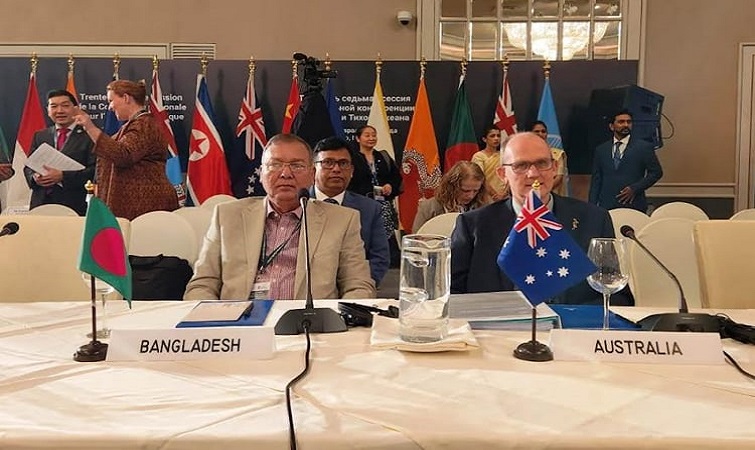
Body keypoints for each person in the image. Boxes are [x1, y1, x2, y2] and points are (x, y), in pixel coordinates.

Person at [185, 133, 375, 301]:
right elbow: (202, 285)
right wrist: (215, 320)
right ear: (261, 173)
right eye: (275, 164)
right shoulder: (227, 216)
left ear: (312, 174)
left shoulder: (342, 220)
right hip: (241, 323)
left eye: (297, 165)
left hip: (309, 323)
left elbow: (358, 286)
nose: (285, 174)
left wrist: (338, 320)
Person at [451, 132, 630, 306]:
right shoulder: (473, 226)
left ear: (554, 168)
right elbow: (450, 296)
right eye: (521, 165)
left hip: (573, 324)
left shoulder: (595, 219)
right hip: (498, 324)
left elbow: (617, 297)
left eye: (542, 163)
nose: (533, 173)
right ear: (503, 174)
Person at [73, 79, 178, 220]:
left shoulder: (144, 125)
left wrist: (90, 127)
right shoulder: (134, 125)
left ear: (126, 98)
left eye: (111, 101)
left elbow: (123, 155)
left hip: (145, 207)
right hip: (136, 206)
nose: (110, 107)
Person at [312, 136, 389, 286]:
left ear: (352, 171)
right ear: (313, 169)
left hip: (355, 289)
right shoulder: (297, 204)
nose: (336, 169)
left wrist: (358, 287)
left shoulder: (370, 209)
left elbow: (379, 258)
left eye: (343, 163)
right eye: (328, 163)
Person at [23, 90, 95, 216]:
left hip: (75, 204)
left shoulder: (90, 135)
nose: (59, 111)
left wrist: (63, 176)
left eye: (65, 105)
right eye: (54, 106)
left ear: (76, 109)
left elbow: (95, 171)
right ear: (48, 110)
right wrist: (34, 177)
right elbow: (28, 166)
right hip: (41, 204)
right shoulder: (40, 135)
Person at [348, 125, 403, 267]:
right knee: (363, 234)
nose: (371, 138)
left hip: (383, 205)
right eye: (367, 135)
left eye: (374, 135)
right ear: (358, 138)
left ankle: (387, 264)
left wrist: (390, 186)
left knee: (385, 235)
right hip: (361, 205)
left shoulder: (383, 156)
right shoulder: (352, 158)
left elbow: (396, 177)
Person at [588, 110, 663, 212]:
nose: (626, 125)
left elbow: (656, 172)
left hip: (634, 204)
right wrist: (591, 206)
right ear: (611, 126)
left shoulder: (643, 147)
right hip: (607, 205)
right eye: (621, 122)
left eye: (629, 122)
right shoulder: (601, 150)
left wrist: (635, 188)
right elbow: (596, 180)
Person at [412, 161, 490, 232]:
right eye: (465, 191)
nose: (470, 196)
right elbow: (416, 238)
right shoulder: (429, 207)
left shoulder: (485, 207)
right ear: (452, 186)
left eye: (475, 191)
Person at [529, 120, 569, 197]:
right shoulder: (525, 154)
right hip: (529, 195)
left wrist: (542, 191)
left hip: (552, 195)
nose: (540, 134)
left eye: (543, 131)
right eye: (537, 131)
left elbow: (559, 177)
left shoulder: (557, 154)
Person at [471, 126, 507, 200]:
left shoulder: (504, 155)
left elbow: (510, 175)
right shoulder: (479, 156)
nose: (496, 138)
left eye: (498, 136)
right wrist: (494, 194)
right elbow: (480, 178)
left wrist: (504, 194)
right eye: (492, 136)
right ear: (484, 139)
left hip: (504, 197)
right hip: (486, 197)